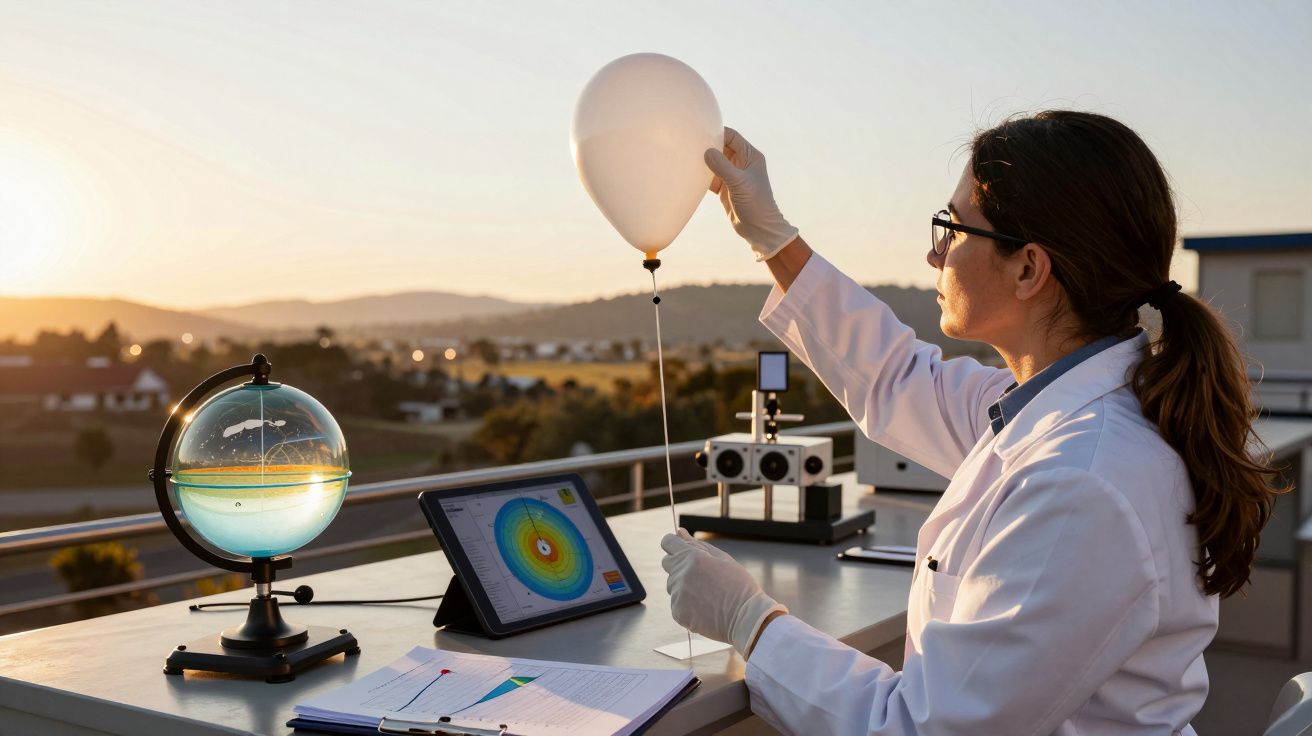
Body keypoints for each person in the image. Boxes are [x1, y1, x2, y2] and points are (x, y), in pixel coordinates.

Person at [660, 111, 1285, 735]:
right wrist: (770, 234)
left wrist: (751, 622)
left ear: (1028, 269)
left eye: (952, 229)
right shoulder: (1062, 409)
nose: (934, 253)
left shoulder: (1083, 481)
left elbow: (921, 730)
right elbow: (897, 377)